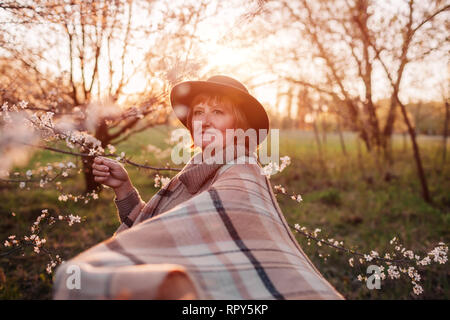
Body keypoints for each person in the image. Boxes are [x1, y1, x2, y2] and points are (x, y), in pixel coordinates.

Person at [52, 75, 344, 300]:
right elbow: (166, 232)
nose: (204, 120)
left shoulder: (241, 172)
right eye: (199, 112)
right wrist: (124, 189)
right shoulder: (196, 168)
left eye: (218, 111)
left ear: (240, 124)